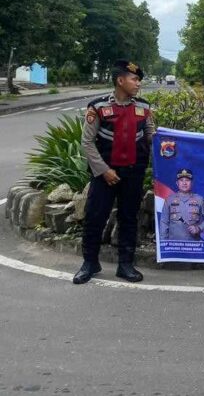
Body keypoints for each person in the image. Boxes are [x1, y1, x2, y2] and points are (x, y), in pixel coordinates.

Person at [73, 60, 154, 285]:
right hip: (104, 175)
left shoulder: (144, 107)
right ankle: (89, 263)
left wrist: (169, 143)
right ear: (120, 80)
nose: (138, 83)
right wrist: (104, 171)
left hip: (133, 174)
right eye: (134, 79)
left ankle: (125, 265)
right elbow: (87, 142)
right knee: (94, 217)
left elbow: (151, 135)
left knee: (129, 218)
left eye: (138, 80)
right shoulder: (98, 107)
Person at [158, 169, 204, 241]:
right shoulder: (169, 200)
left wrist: (199, 228)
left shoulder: (200, 200)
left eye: (187, 180)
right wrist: (163, 243)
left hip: (193, 246)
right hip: (173, 246)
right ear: (177, 183)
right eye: (181, 180)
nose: (184, 183)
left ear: (192, 183)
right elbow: (164, 223)